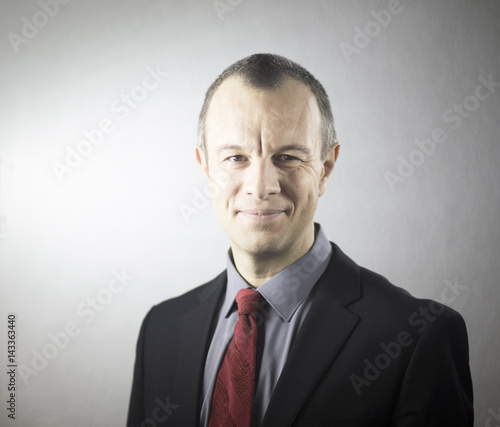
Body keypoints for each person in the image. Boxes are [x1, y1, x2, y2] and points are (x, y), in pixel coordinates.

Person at [127, 53, 473, 427]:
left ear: (325, 169)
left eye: (289, 156)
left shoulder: (417, 337)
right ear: (206, 168)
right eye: (236, 157)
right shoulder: (161, 329)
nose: (261, 186)